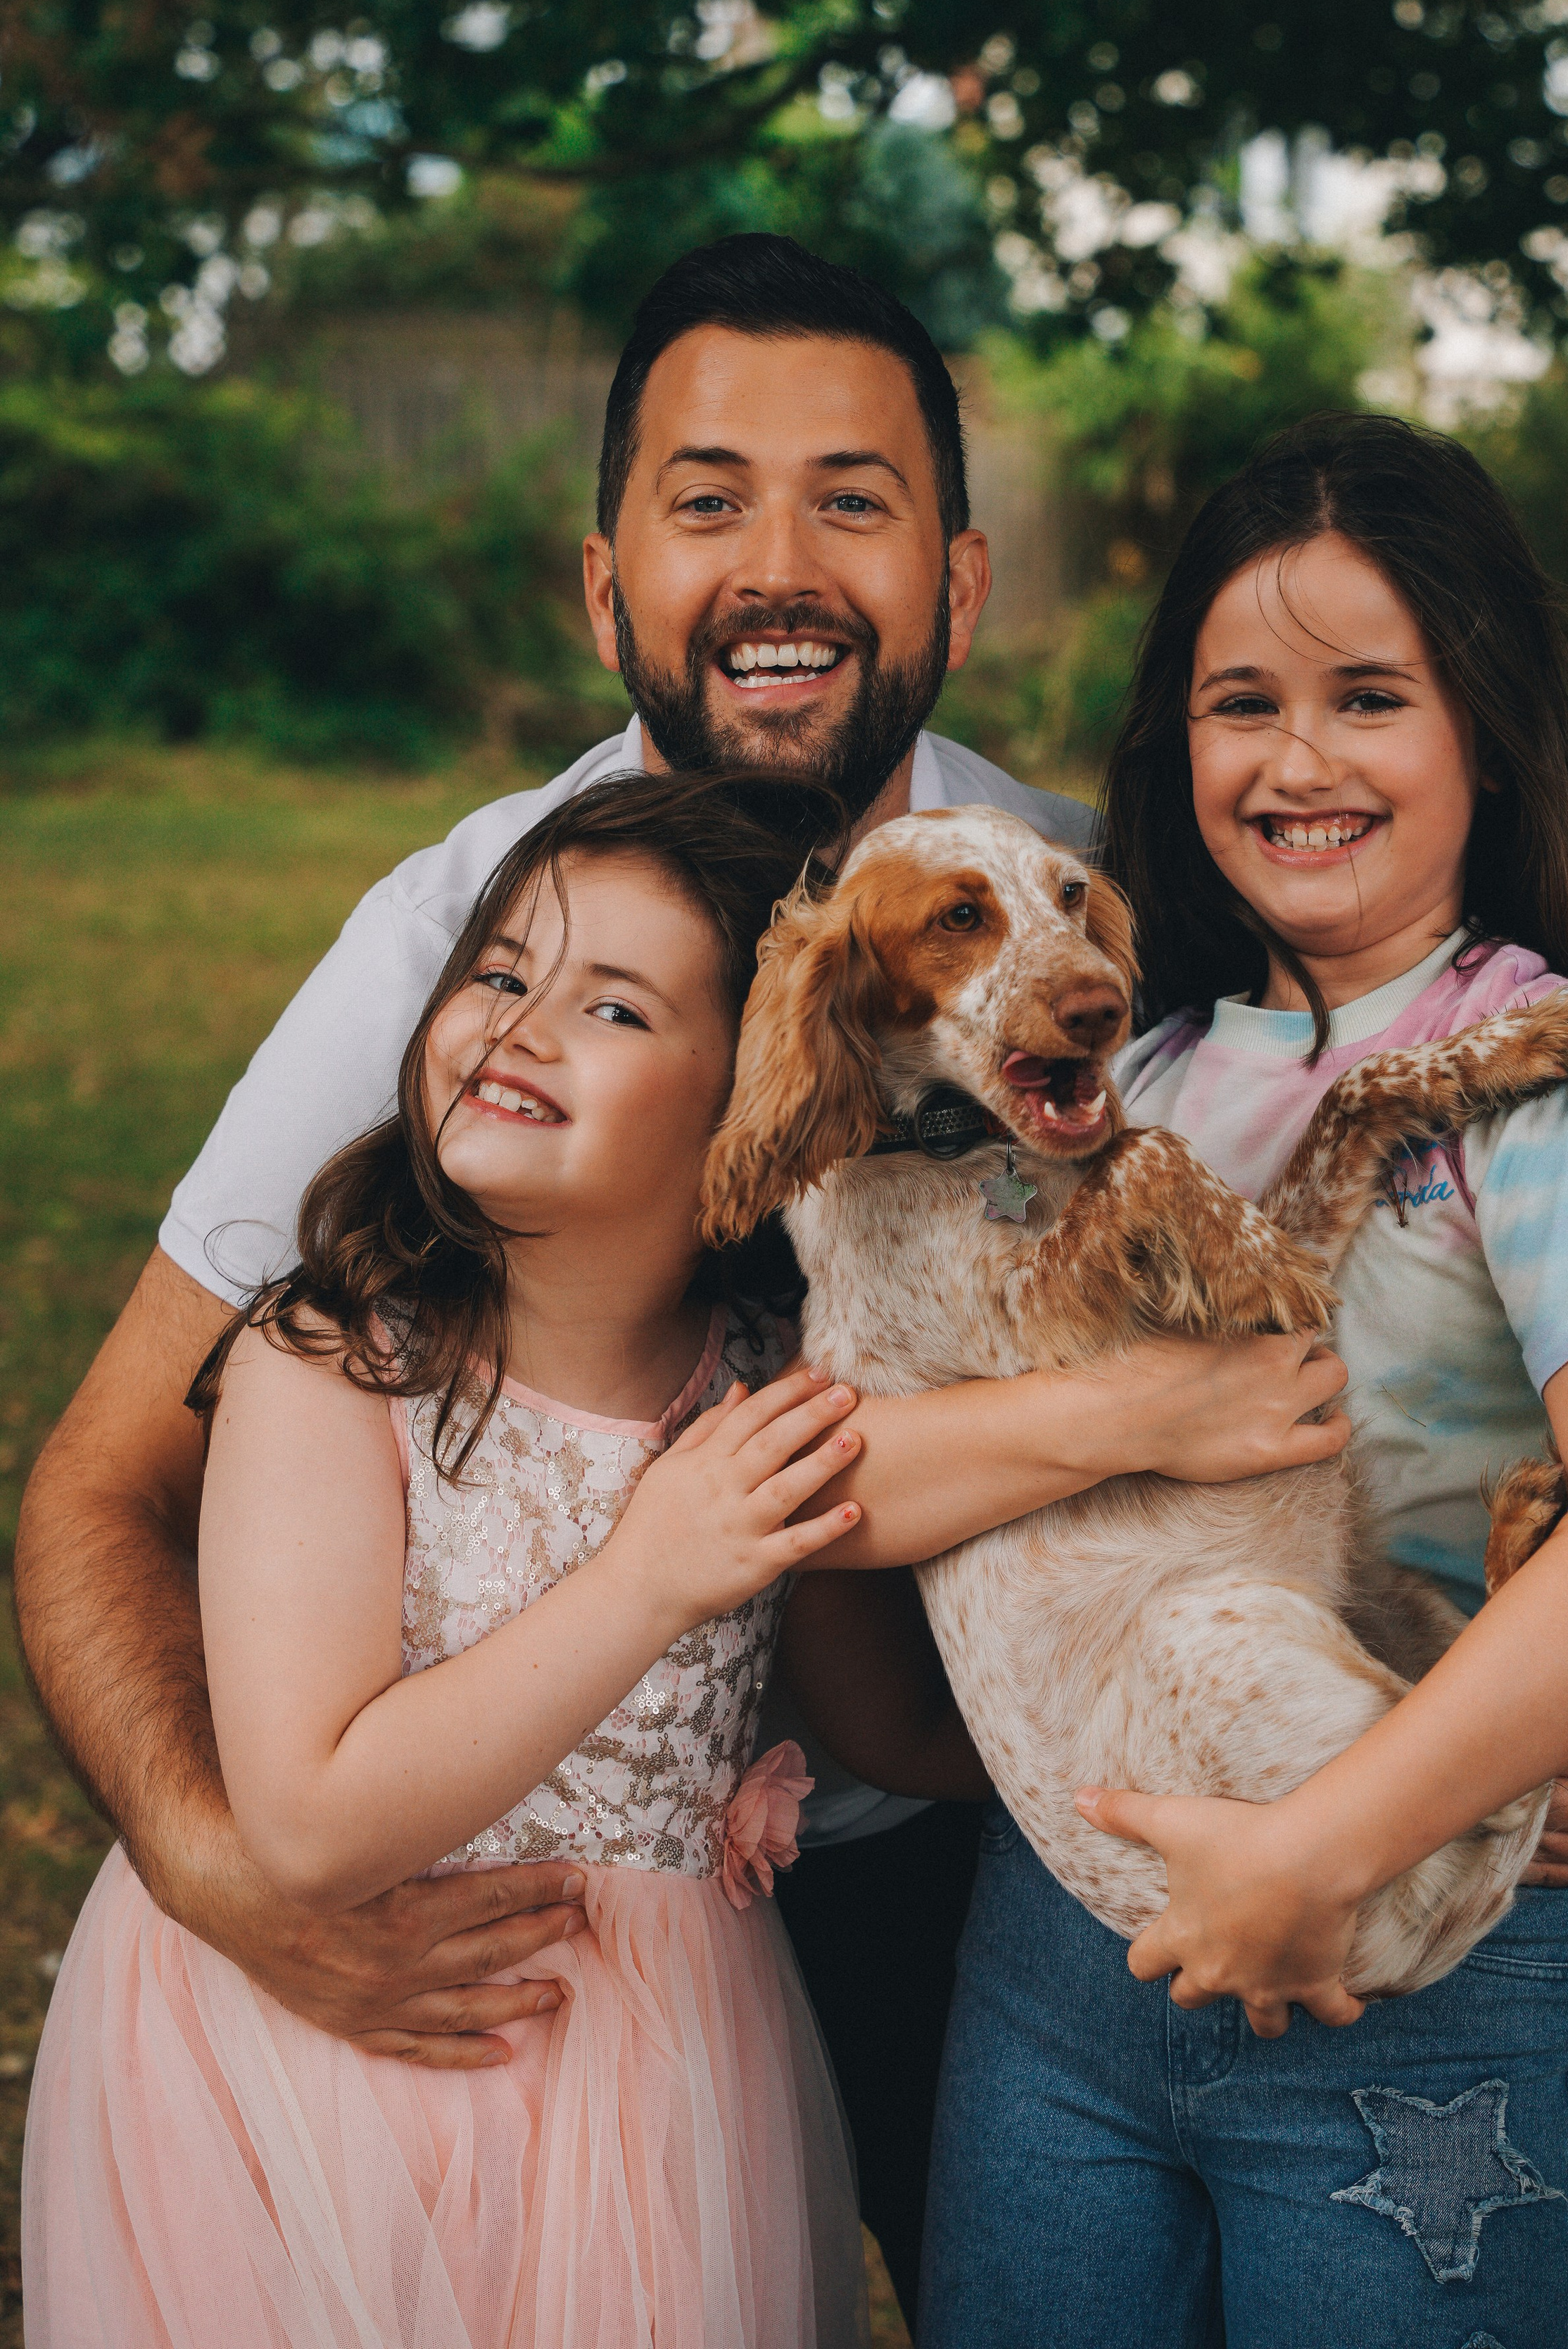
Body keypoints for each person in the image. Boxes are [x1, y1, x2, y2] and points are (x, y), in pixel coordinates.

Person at [13, 234, 1350, 2331]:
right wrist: (225, 1871)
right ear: (605, 580)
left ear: (963, 584)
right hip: (494, 1894)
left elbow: (1416, 1261)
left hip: (987, 1821)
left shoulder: (1101, 922)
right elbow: (105, 1478)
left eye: (857, 497)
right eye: (708, 498)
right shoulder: (472, 942)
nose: (781, 564)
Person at [916, 414, 1568, 2349]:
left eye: (1369, 695)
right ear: (1175, 742)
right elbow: (907, 1459)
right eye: (1243, 703)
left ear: (1483, 722)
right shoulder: (1117, 1080)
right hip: (1063, 1954)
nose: (1299, 760)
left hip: (1413, 1969)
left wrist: (1321, 1849)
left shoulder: (1545, 1068)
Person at [26, 772, 884, 2345]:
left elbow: (885, 1722)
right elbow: (306, 1820)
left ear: (751, 1105)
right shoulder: (336, 1363)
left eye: (614, 1009)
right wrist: (646, 1578)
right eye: (500, 972)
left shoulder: (769, 1381)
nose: (522, 1024)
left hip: (660, 2086)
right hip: (317, 2078)